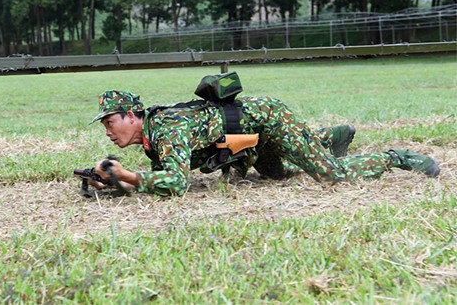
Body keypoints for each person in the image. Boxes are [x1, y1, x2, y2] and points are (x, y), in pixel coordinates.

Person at [88, 89, 440, 197]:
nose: (107, 131)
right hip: (248, 140)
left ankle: (396, 158)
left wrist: (130, 176)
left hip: (267, 117)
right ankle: (327, 137)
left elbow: (179, 183)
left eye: (110, 121)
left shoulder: (167, 129)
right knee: (276, 173)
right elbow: (163, 178)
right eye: (104, 124)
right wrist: (113, 181)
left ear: (132, 115)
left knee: (330, 175)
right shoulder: (151, 140)